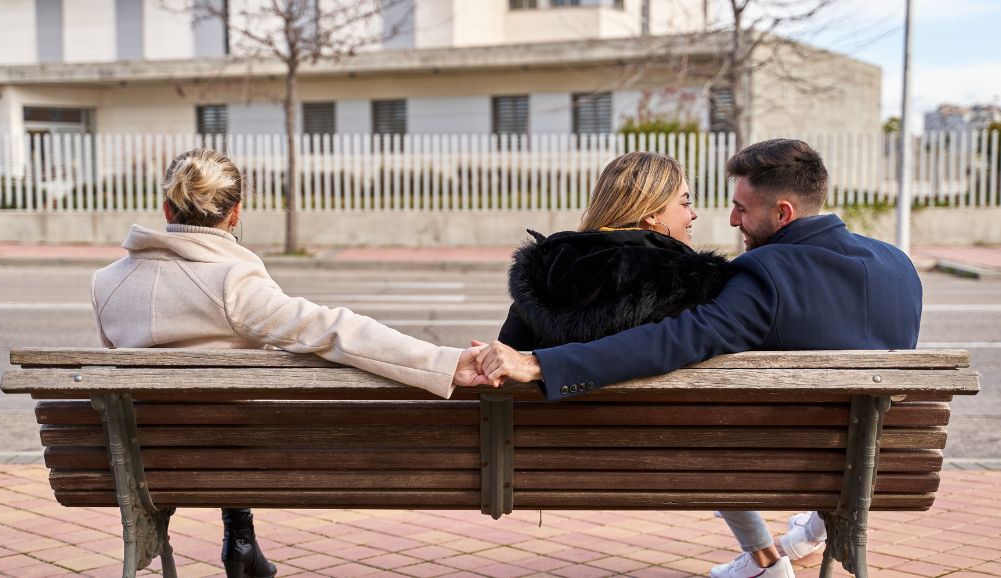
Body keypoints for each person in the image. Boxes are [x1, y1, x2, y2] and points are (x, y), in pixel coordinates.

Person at [474, 139, 923, 578]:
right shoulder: (899, 266)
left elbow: (677, 339)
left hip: (745, 462)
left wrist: (544, 363)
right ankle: (810, 531)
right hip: (866, 462)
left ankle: (771, 553)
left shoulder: (763, 276)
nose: (731, 220)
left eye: (742, 209)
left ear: (782, 212)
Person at [91, 148, 487, 578]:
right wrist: (445, 362)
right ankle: (239, 537)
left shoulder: (105, 282)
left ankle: (240, 539)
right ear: (236, 214)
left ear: (167, 207)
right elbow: (334, 329)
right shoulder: (231, 283)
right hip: (235, 460)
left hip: (144, 460)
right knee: (231, 412)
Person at [497, 151, 731, 351]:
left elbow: (509, 355)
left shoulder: (546, 268)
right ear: (651, 214)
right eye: (685, 203)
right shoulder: (689, 282)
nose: (693, 214)